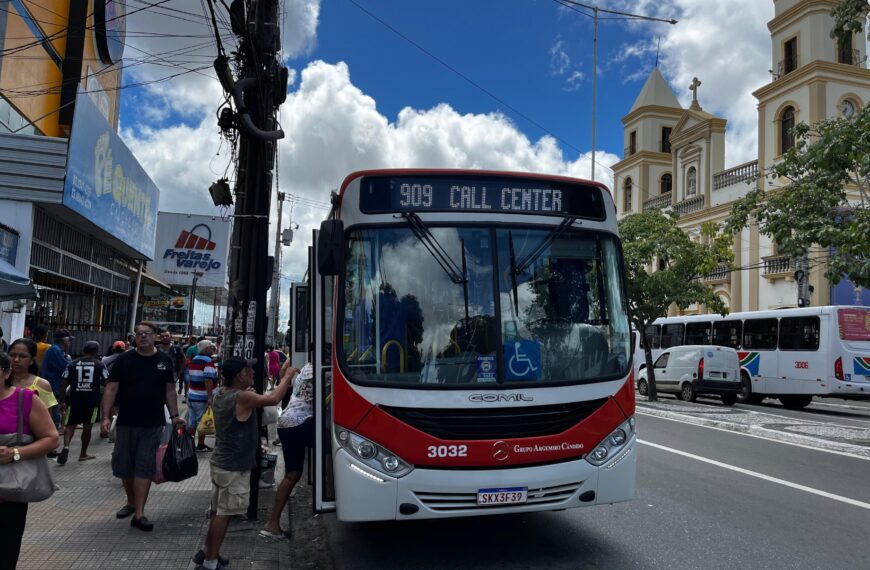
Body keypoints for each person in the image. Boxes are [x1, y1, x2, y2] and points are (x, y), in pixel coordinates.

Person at [193, 357, 296, 570]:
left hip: (221, 462)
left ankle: (208, 552)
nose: (252, 372)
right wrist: (287, 377)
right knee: (225, 513)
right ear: (240, 375)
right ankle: (210, 563)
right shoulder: (243, 397)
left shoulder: (221, 393)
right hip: (234, 467)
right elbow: (274, 399)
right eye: (249, 370)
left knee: (218, 511)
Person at [100, 321, 184, 532]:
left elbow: (170, 391)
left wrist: (175, 416)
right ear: (134, 338)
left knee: (144, 466)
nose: (143, 337)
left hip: (153, 423)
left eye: (147, 333)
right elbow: (110, 389)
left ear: (155, 336)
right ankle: (130, 501)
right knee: (124, 467)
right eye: (139, 334)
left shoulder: (164, 361)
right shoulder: (124, 360)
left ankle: (139, 513)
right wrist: (105, 416)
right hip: (126, 421)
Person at [0, 351, 59, 570]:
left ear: (6, 373)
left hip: (9, 493)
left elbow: (52, 439)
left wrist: (15, 453)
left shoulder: (25, 400)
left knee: (5, 555)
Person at [260, 361, 313, 540]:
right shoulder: (321, 371)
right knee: (292, 475)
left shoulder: (307, 367)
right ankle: (272, 523)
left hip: (288, 422)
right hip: (297, 423)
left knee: (293, 474)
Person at [57, 341, 109, 465]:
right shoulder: (100, 365)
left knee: (70, 425)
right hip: (92, 400)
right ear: (96, 352)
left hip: (75, 399)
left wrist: (62, 400)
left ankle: (66, 446)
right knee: (88, 426)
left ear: (83, 350)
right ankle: (83, 453)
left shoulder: (72, 364)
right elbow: (107, 382)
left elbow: (63, 383)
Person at [7, 339, 58, 459]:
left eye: (22, 356)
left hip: (30, 448)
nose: (16, 360)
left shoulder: (41, 385)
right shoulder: (2, 382)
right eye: (12, 355)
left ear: (32, 360)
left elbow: (48, 421)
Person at [187, 340, 217, 452]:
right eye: (211, 347)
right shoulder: (208, 361)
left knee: (192, 422)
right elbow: (208, 379)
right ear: (205, 349)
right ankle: (200, 444)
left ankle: (189, 444)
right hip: (202, 396)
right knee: (202, 422)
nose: (213, 349)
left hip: (192, 394)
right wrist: (210, 397)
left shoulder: (195, 359)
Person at [40, 329, 72, 430]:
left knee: (56, 408)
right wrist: (70, 359)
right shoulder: (55, 350)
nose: (70, 343)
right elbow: (66, 366)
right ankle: (53, 429)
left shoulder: (57, 350)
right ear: (65, 341)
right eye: (69, 341)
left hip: (54, 384)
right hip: (53, 385)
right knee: (54, 410)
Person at [157, 330, 186, 396]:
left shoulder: (176, 349)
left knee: (170, 395)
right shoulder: (156, 348)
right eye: (162, 336)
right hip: (158, 377)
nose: (164, 338)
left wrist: (179, 374)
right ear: (160, 338)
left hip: (172, 377)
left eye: (167, 336)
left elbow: (184, 361)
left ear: (171, 337)